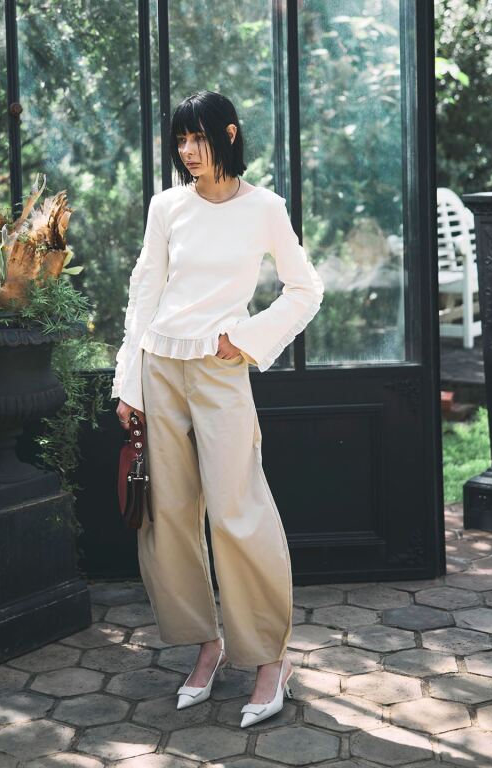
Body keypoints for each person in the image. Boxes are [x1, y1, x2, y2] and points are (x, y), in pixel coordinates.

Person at [111, 90, 324, 727]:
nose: (187, 151)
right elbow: (144, 292)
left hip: (220, 368)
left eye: (198, 138)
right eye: (180, 140)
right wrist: (129, 384)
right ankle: (207, 646)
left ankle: (270, 660)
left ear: (228, 134)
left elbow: (306, 289)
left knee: (238, 512)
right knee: (169, 518)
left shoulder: (265, 208)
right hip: (159, 366)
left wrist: (248, 338)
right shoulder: (167, 207)